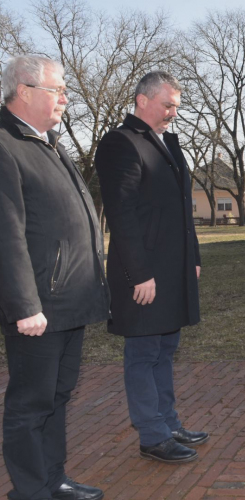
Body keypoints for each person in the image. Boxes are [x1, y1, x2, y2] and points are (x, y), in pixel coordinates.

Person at [0, 55, 109, 500]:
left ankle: (52, 479)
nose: (65, 97)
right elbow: (6, 233)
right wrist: (25, 305)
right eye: (57, 90)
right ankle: (30, 491)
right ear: (24, 91)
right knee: (30, 404)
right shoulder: (6, 145)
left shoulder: (49, 142)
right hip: (37, 308)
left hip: (68, 300)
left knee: (59, 395)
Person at [95, 71, 206, 463]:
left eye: (177, 105)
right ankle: (152, 435)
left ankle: (169, 423)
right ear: (142, 100)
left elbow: (183, 213)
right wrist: (139, 274)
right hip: (143, 275)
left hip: (173, 271)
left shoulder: (170, 145)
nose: (174, 112)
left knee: (164, 348)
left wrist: (191, 258)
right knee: (143, 352)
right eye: (168, 104)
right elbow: (121, 214)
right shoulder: (120, 144)